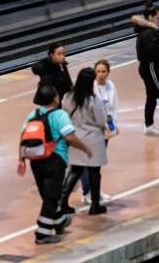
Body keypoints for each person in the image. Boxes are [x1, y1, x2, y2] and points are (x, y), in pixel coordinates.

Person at [21, 84, 92, 245]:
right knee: (52, 197)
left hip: (35, 160)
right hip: (54, 159)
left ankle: (59, 221)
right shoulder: (60, 115)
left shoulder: (33, 114)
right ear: (55, 98)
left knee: (48, 194)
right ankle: (42, 233)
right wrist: (86, 149)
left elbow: (24, 135)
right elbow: (70, 138)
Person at [59, 68, 108, 216]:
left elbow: (64, 116)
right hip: (92, 139)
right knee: (94, 173)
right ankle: (95, 204)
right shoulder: (93, 100)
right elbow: (100, 120)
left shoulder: (67, 97)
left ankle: (63, 202)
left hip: (75, 138)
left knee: (75, 171)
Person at [133, 1, 159, 136]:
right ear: (150, 18)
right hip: (152, 68)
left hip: (151, 68)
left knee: (151, 96)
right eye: (157, 18)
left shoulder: (149, 31)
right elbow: (153, 49)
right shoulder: (147, 33)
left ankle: (148, 125)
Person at [81, 59, 118, 205]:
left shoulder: (111, 86)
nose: (101, 74)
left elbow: (114, 107)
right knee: (89, 162)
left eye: (104, 71)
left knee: (98, 163)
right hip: (92, 131)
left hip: (105, 130)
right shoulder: (91, 88)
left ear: (108, 72)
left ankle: (96, 190)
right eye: (98, 71)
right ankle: (87, 192)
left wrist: (112, 126)